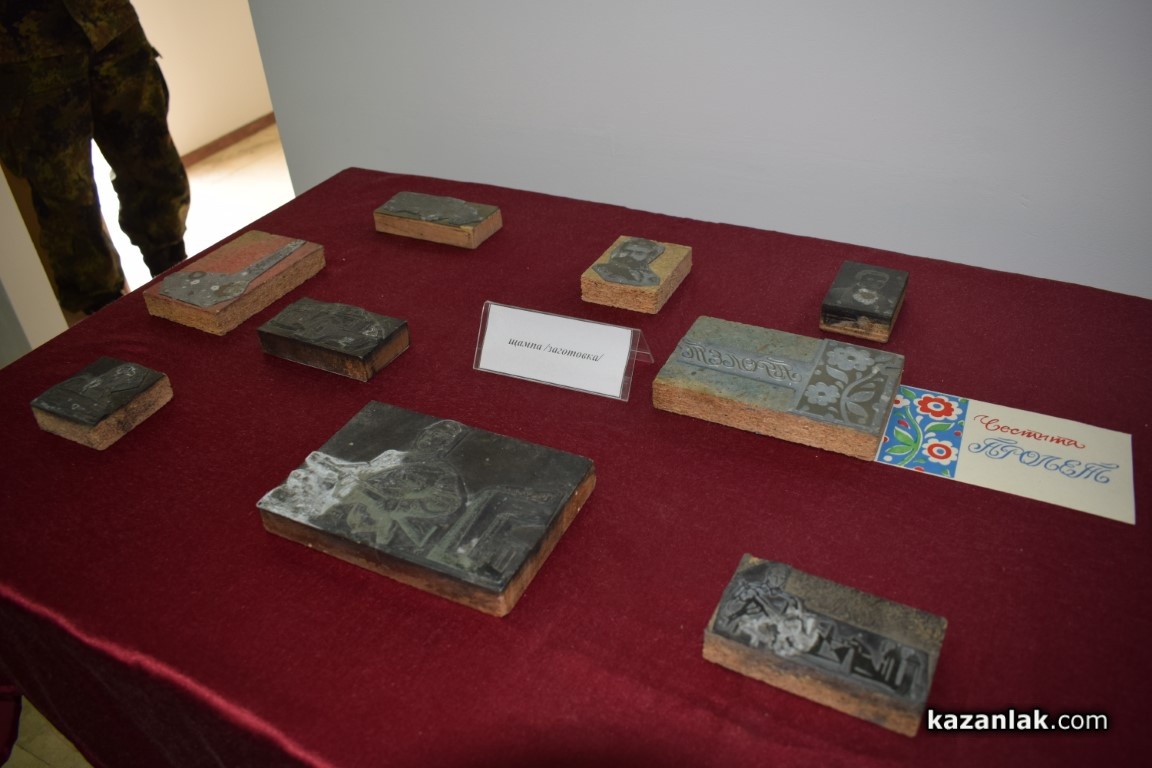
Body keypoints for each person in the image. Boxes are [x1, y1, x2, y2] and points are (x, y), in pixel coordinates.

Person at [0, 0, 190, 320]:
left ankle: (180, 280)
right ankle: (107, 320)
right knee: (66, 195)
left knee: (152, 158)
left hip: (109, 21)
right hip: (24, 50)